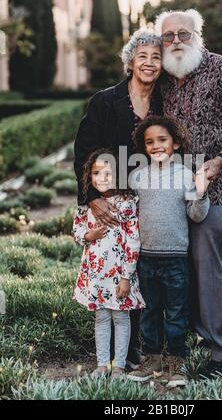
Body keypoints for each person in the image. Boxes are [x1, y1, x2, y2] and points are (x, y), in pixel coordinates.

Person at [155, 9, 222, 379]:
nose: (176, 40)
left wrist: (219, 160)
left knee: (208, 264)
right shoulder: (164, 78)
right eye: (169, 36)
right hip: (173, 190)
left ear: (198, 35)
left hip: (217, 185)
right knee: (185, 265)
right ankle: (204, 334)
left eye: (184, 33)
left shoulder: (221, 68)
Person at [74, 28, 163, 369]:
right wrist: (93, 196)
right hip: (113, 199)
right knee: (113, 267)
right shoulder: (105, 101)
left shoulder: (165, 101)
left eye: (156, 57)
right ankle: (113, 354)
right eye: (142, 56)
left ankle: (143, 345)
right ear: (129, 61)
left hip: (153, 197)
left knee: (143, 266)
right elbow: (84, 150)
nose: (149, 63)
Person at [127, 115, 210, 387]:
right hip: (146, 257)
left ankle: (176, 362)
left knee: (176, 312)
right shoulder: (137, 176)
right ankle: (152, 359)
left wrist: (201, 192)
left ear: (175, 144)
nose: (156, 145)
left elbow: (196, 215)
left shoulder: (185, 175)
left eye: (162, 140)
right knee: (149, 311)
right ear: (144, 146)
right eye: (149, 141)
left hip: (175, 258)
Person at [72, 149, 145, 380]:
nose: (102, 178)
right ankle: (102, 364)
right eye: (96, 173)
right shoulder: (87, 206)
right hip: (96, 273)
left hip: (119, 275)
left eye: (108, 173)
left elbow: (133, 241)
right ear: (89, 176)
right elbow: (76, 231)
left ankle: (120, 366)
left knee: (121, 318)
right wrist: (88, 235)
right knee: (101, 318)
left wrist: (126, 276)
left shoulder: (126, 203)